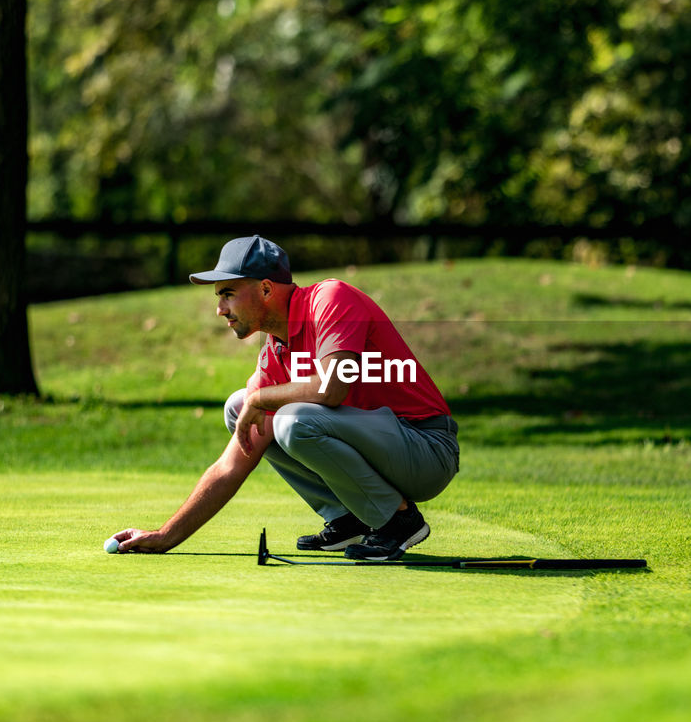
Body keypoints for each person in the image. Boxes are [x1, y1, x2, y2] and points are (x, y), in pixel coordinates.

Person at [108, 235, 460, 562]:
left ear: (264, 288)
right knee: (240, 406)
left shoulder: (330, 299)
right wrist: (165, 536)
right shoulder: (274, 352)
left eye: (227, 293)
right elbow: (231, 465)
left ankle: (399, 523)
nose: (220, 309)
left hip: (426, 449)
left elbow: (331, 387)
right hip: (388, 452)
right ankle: (350, 516)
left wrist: (261, 398)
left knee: (289, 418)